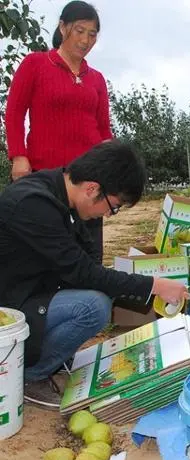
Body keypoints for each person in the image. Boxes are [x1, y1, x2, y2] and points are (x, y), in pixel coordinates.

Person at [0, 141, 190, 409]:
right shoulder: (34, 204)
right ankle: (31, 375)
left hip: (36, 291)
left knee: (102, 292)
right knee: (93, 307)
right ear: (92, 189)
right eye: (113, 207)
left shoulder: (64, 198)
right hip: (10, 306)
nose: (109, 215)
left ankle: (49, 356)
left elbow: (91, 265)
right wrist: (155, 285)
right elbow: (84, 273)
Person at [4, 1, 112, 263]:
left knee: (88, 255)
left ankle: (90, 301)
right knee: (44, 255)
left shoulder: (96, 78)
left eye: (92, 34)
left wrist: (112, 169)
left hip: (88, 181)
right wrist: (19, 156)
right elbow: (14, 112)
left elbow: (103, 128)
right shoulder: (36, 64)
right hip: (47, 177)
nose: (86, 40)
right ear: (63, 28)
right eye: (79, 30)